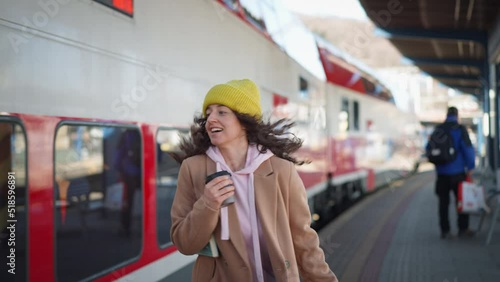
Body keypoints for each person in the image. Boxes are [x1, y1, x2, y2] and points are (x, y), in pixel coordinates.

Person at [170, 79, 337, 282]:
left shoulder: (281, 170)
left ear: (245, 121)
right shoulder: (193, 168)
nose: (211, 119)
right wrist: (208, 204)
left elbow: (303, 239)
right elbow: (184, 244)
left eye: (222, 112)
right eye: (208, 113)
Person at [427, 106, 476, 239]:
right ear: (457, 115)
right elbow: (468, 149)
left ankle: (445, 230)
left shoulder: (438, 129)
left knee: (443, 203)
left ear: (446, 115)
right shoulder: (459, 129)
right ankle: (463, 228)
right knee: (460, 200)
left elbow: (428, 148)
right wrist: (471, 167)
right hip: (458, 173)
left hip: (442, 173)